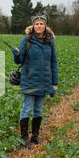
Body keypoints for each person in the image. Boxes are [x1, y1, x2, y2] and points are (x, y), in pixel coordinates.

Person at [11, 14, 58, 148]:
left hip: (44, 81)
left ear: (45, 26)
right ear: (33, 26)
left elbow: (53, 62)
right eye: (36, 24)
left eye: (41, 24)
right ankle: (24, 137)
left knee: (38, 110)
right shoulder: (27, 40)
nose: (39, 26)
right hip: (29, 80)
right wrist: (16, 54)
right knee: (26, 109)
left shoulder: (50, 42)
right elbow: (19, 60)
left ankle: (35, 136)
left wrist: (54, 84)